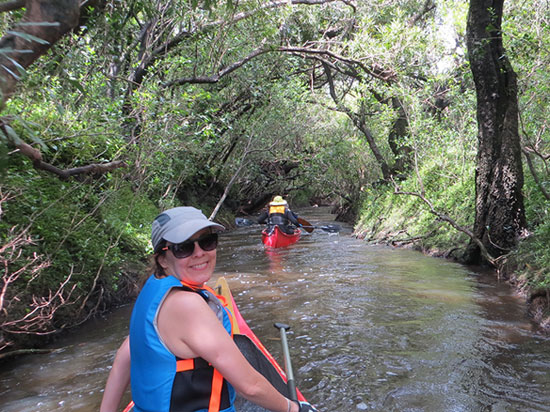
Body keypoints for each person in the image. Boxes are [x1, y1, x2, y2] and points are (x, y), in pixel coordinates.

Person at [100, 206, 317, 412]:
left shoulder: (153, 290)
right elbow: (250, 387)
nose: (199, 253)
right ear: (163, 259)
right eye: (183, 248)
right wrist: (295, 408)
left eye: (207, 241)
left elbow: (123, 357)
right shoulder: (187, 305)